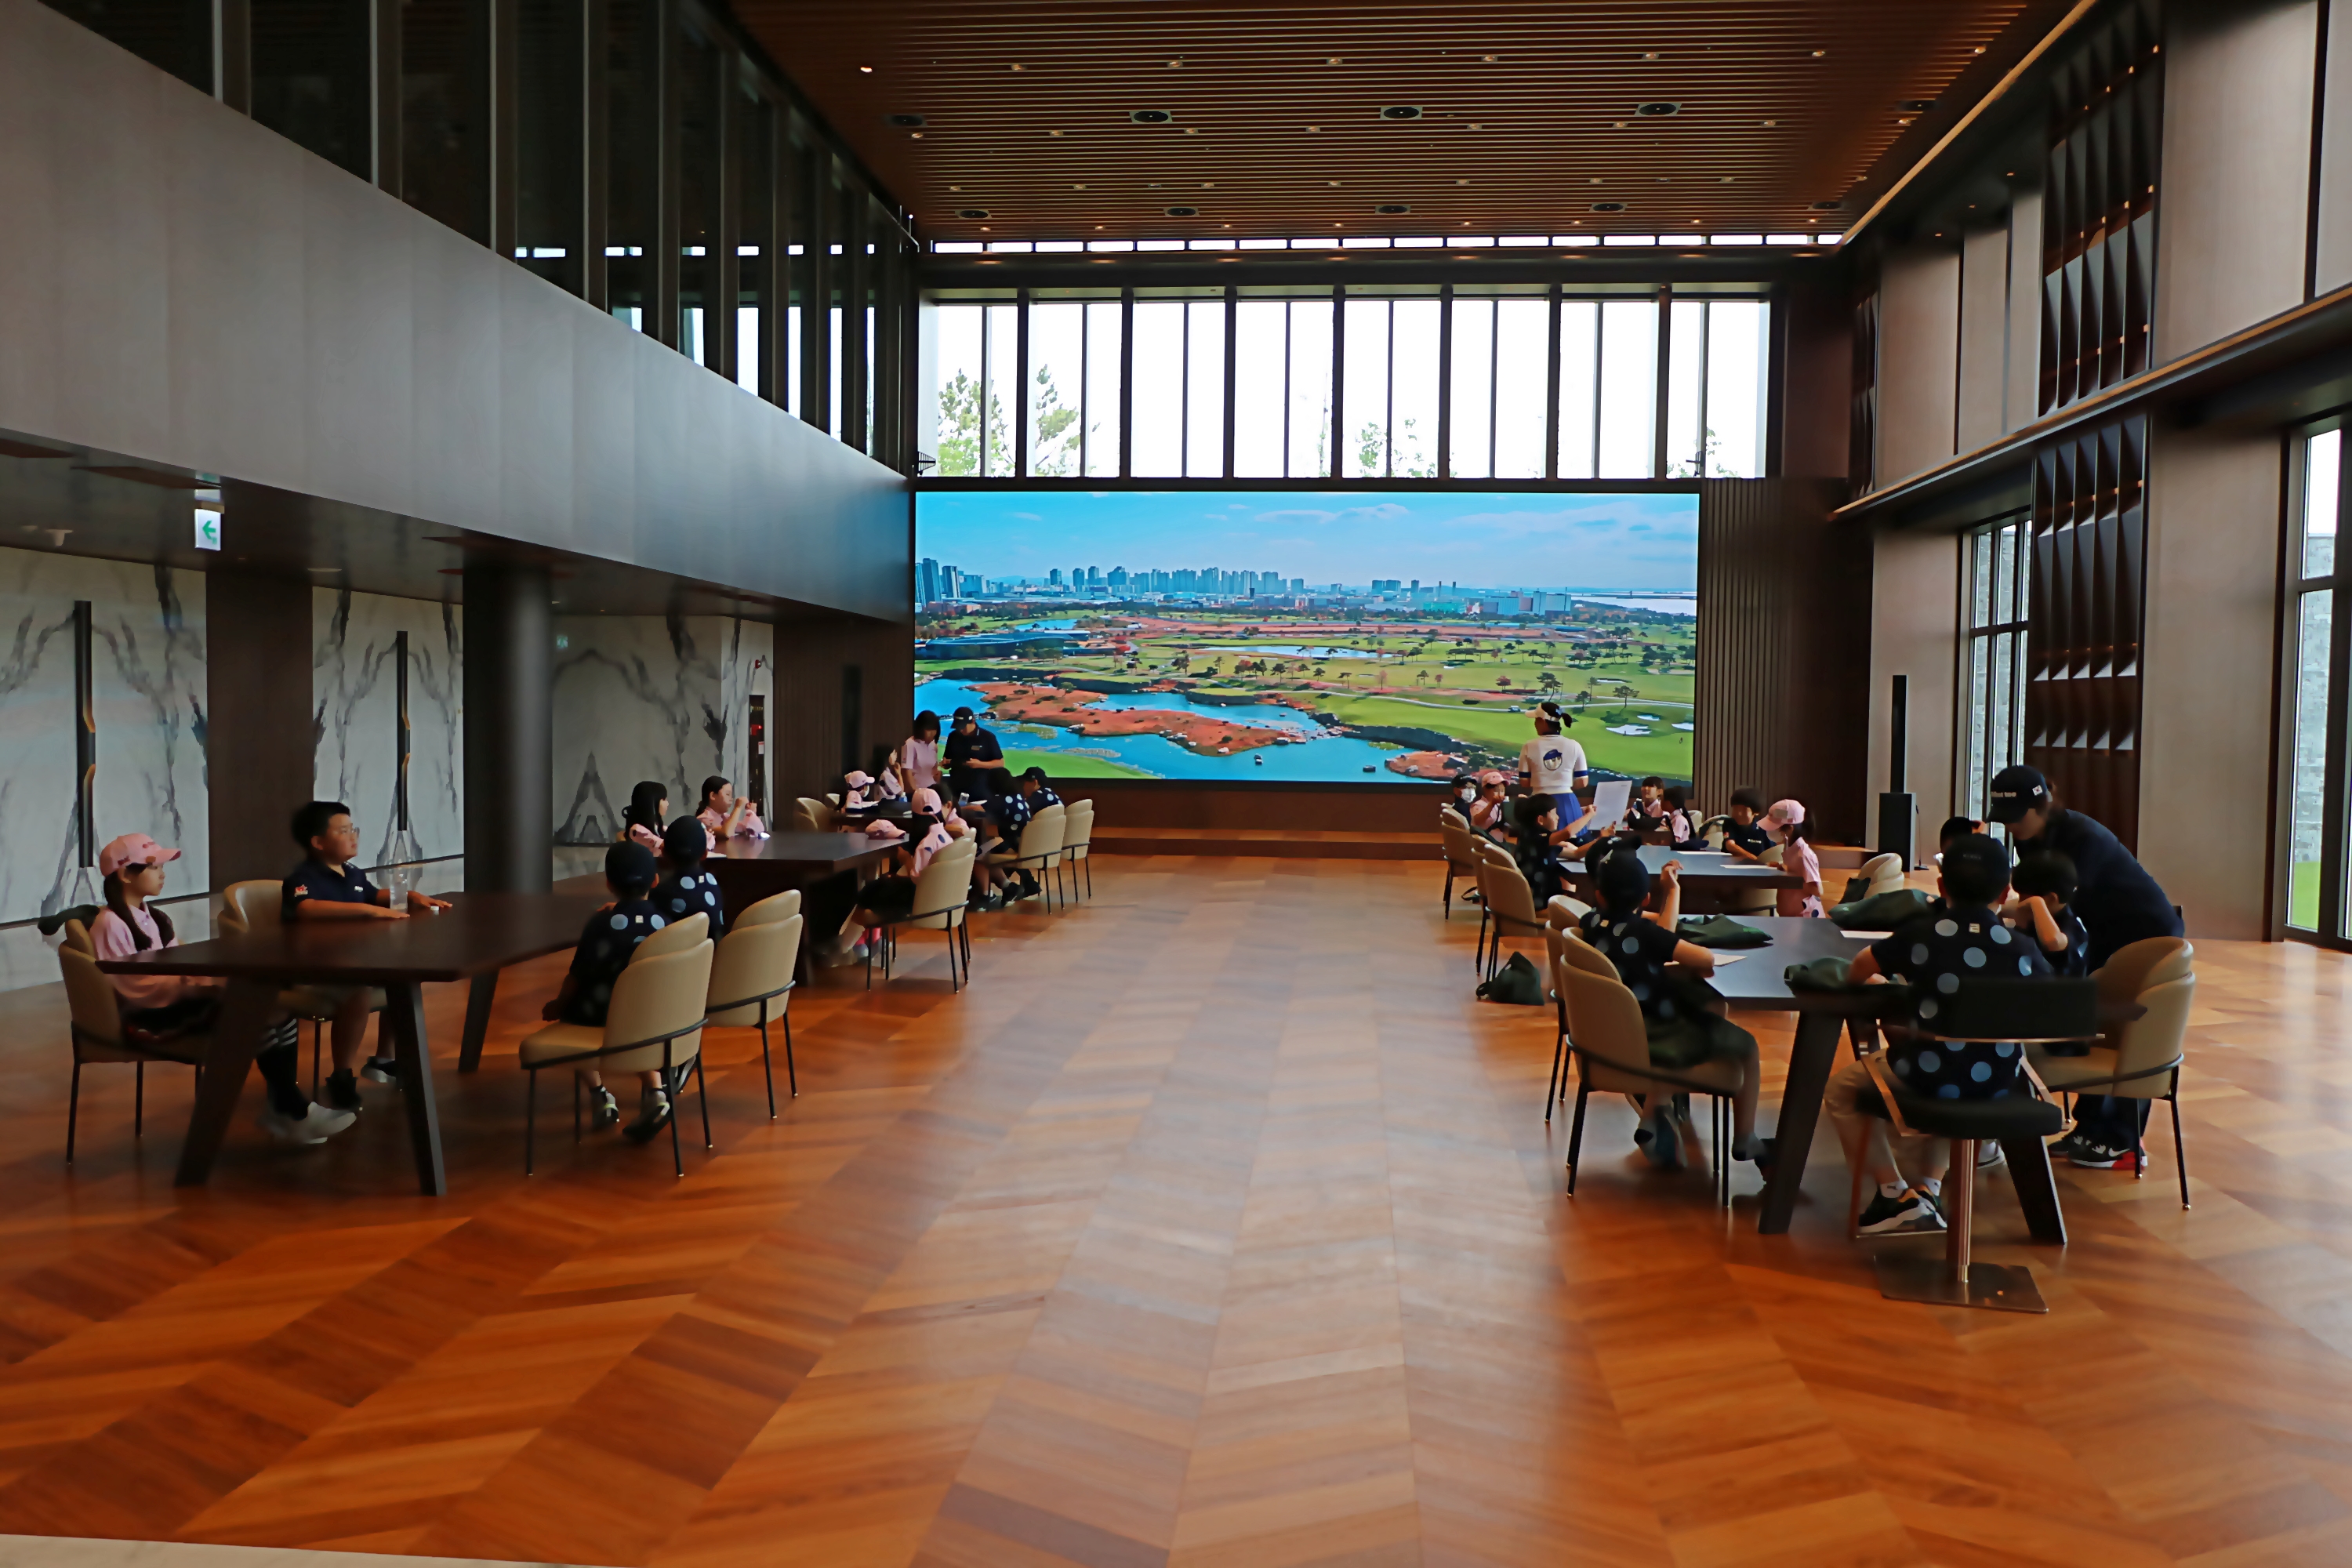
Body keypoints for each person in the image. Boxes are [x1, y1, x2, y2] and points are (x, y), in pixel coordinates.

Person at [1825, 833, 2054, 1236]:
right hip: (1999, 1079)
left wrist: (1876, 984)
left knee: (1842, 1090)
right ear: (2006, 892)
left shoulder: (1922, 934)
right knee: (1960, 1076)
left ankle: (1894, 1194)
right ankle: (1928, 1188)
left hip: (1928, 1073)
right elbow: (2049, 997)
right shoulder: (2022, 948)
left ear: (1941, 886)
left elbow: (1859, 967)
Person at [94, 833, 354, 1145]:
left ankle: (287, 1107)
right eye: (153, 867)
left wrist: (200, 982)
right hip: (150, 1017)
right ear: (125, 874)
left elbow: (174, 966)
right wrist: (196, 984)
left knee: (277, 1010)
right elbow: (129, 983)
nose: (162, 874)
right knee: (252, 1014)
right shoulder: (110, 923)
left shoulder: (156, 918)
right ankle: (291, 1111)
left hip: (174, 1002)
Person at [1989, 764, 2183, 1168]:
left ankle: (2123, 1141)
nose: (2011, 827)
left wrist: (1990, 909)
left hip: (2146, 933)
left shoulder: (2083, 838)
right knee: (2092, 1025)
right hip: (2100, 932)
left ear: (2041, 806)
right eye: (2003, 819)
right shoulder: (2032, 838)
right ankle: (2089, 1128)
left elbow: (2053, 908)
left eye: (2016, 817)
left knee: (2126, 1032)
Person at [1577, 851, 1763, 1171]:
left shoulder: (1590, 922)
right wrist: (1673, 890)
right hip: (1654, 1031)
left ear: (1598, 895)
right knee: (1748, 1045)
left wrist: (1670, 898)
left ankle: (1654, 1112)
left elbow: (1660, 934)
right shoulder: (1645, 933)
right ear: (1646, 898)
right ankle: (1746, 1137)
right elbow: (1703, 958)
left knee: (1708, 1004)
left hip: (1617, 1026)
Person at [283, 800, 451, 1111]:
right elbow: (308, 908)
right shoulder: (304, 878)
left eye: (353, 829)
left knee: (401, 977)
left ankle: (383, 1059)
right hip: (317, 969)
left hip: (355, 961)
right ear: (318, 842)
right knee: (358, 992)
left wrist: (410, 896)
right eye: (343, 831)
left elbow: (373, 895)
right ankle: (341, 1076)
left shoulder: (352, 873)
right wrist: (368, 911)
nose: (353, 836)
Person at [543, 841, 678, 1143]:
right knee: (639, 1022)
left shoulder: (600, 924)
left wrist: (558, 1004)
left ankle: (599, 1094)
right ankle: (655, 1092)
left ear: (608, 884)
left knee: (572, 1020)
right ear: (655, 881)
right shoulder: (667, 924)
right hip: (654, 1019)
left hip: (601, 1018)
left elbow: (576, 976)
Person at [2007, 851, 2087, 978]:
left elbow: (2053, 942)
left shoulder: (2073, 926)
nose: (2021, 902)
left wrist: (2036, 903)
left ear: (2050, 899)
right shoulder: (2035, 915)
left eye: (2024, 898)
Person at [987, 767, 1061, 902]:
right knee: (999, 844)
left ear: (1034, 782)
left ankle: (1005, 885)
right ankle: (1020, 884)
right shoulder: (1048, 793)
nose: (1022, 786)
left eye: (1025, 782)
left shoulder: (1037, 797)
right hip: (1047, 841)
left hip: (1032, 844)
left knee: (987, 848)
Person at [652, 816, 728, 942]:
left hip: (677, 953)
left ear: (664, 853)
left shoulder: (661, 893)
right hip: (712, 952)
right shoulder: (713, 883)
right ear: (704, 854)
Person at [1516, 701, 1590, 801]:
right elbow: (1583, 781)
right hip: (1568, 802)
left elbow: (1524, 782)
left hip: (1539, 802)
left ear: (1543, 722)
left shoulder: (1529, 746)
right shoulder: (1575, 745)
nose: (1535, 724)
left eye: (1536, 720)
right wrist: (1564, 787)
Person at [1766, 799, 1823, 916]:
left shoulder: (1804, 854)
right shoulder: (1789, 849)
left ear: (1790, 829)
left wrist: (1791, 879)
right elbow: (1796, 872)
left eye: (1777, 828)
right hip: (1790, 917)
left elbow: (1817, 890)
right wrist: (1783, 868)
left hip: (1804, 918)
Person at [945, 706, 1009, 808]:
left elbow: (1000, 763)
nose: (961, 730)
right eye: (958, 727)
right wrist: (945, 763)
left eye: (963, 727)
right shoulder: (953, 736)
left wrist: (979, 764)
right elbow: (947, 760)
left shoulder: (987, 737)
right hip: (956, 792)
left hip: (980, 794)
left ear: (973, 721)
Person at [697, 775, 767, 840]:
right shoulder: (704, 819)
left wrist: (751, 813)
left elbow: (745, 827)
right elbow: (726, 833)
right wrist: (738, 808)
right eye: (727, 794)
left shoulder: (726, 817)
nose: (731, 799)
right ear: (713, 796)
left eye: (731, 795)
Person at [1721, 789, 1775, 861]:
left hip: (1759, 867)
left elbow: (1773, 853)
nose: (1738, 814)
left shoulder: (1765, 828)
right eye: (1735, 809)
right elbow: (1730, 845)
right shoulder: (1729, 823)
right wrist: (1754, 859)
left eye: (1743, 810)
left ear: (1756, 812)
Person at [899, 710, 944, 797]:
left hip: (932, 791)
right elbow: (907, 772)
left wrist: (938, 775)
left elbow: (934, 769)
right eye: (929, 731)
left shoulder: (933, 745)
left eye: (934, 732)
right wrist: (917, 793)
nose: (932, 735)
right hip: (916, 793)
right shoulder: (910, 744)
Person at [622, 781, 669, 854]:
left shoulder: (658, 827)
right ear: (651, 803)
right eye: (664, 799)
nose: (667, 803)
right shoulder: (638, 831)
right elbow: (668, 847)